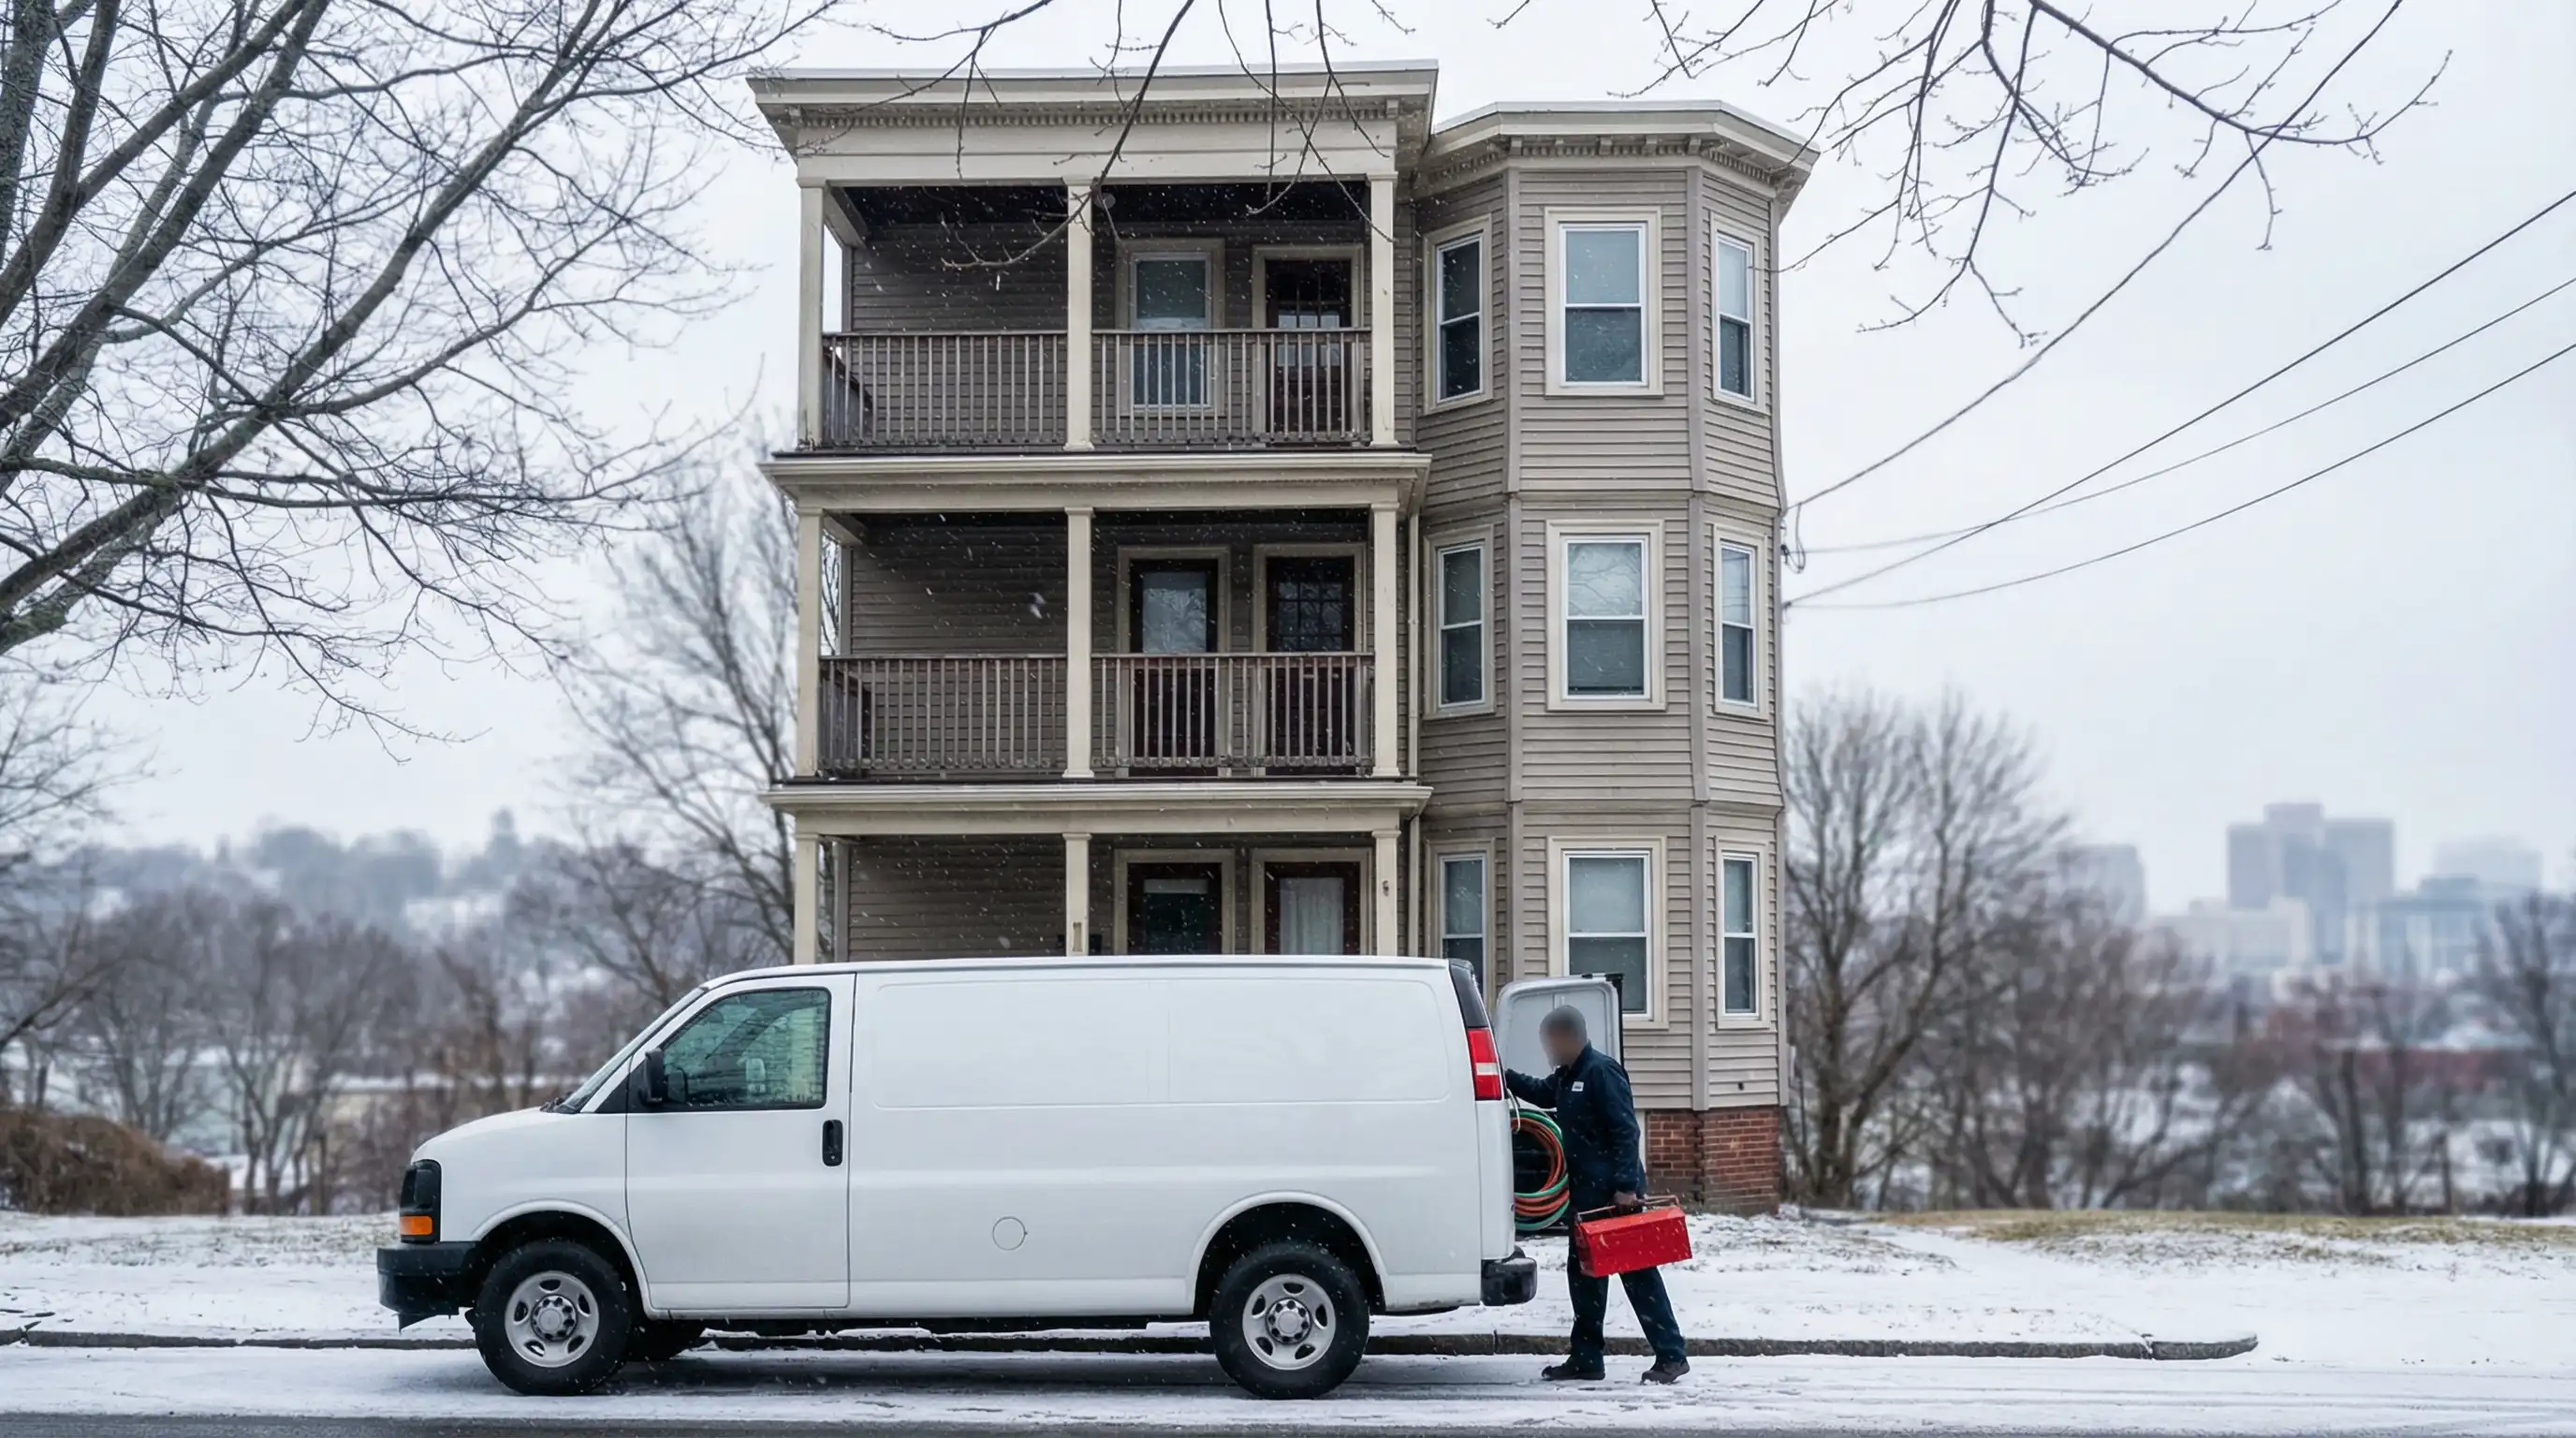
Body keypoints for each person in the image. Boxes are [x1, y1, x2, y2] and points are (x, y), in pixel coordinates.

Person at [1505, 1005, 1689, 1385]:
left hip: (1613, 1198)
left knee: (1638, 1276)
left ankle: (1672, 1355)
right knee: (1585, 1278)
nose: (1547, 1050)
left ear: (1568, 1037)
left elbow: (1625, 1131)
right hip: (1587, 1201)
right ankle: (1587, 1358)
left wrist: (1626, 1187)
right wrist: (1502, 1076)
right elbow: (1541, 1092)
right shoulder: (1568, 1076)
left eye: (1550, 1042)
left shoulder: (1601, 1072)